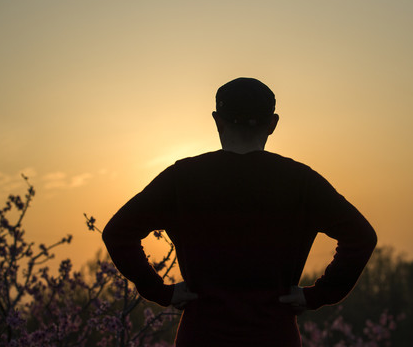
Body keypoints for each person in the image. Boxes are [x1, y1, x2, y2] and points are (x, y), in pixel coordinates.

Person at [102, 77, 377, 346]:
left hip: (202, 334)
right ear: (272, 123)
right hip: (274, 334)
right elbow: (361, 237)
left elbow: (118, 233)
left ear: (217, 120)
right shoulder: (300, 181)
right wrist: (316, 295)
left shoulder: (182, 178)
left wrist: (160, 291)